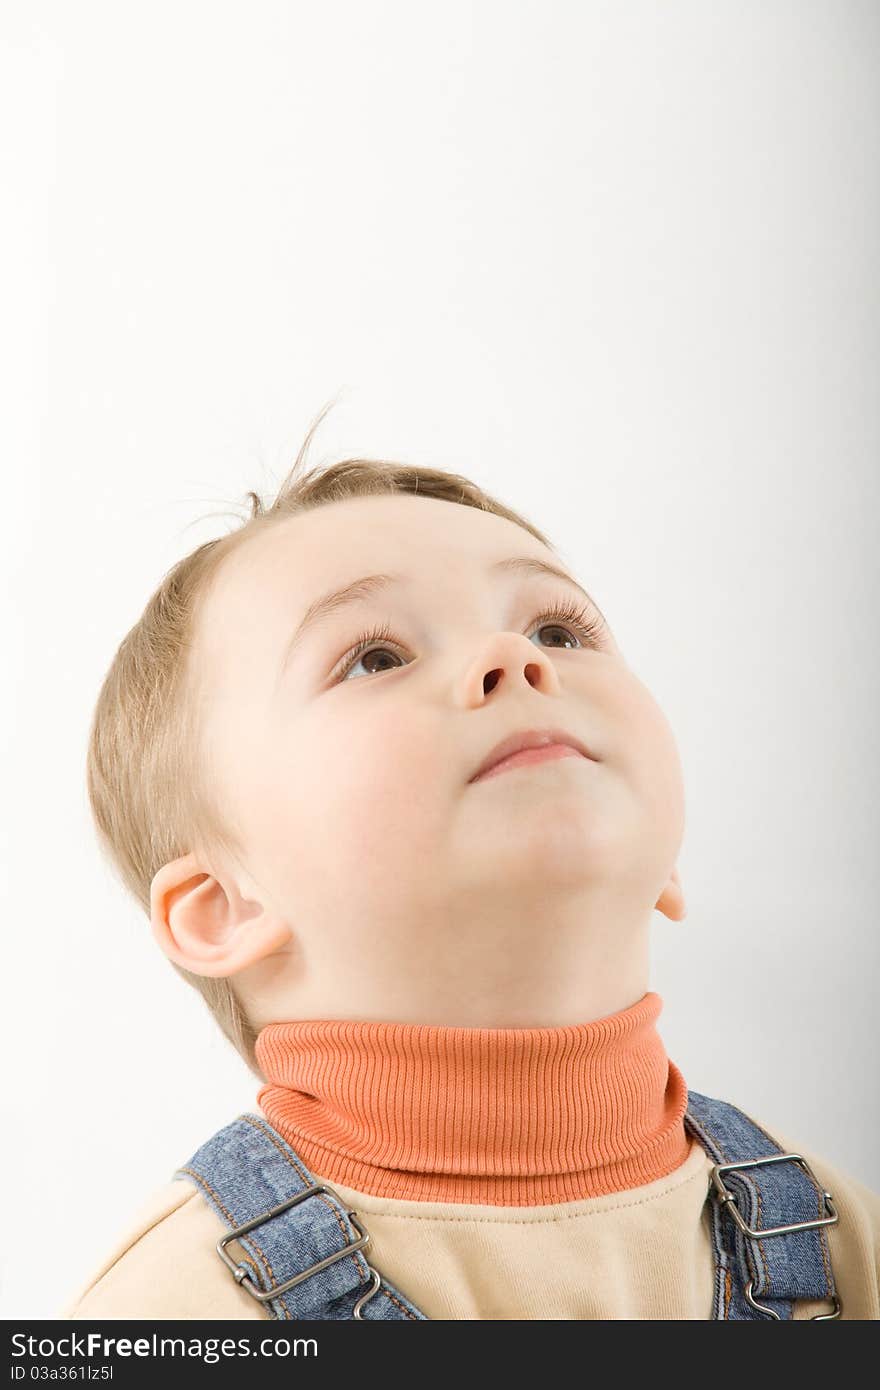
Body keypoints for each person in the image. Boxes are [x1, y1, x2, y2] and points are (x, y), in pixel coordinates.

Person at [61, 410, 880, 1320]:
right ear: (224, 909)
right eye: (375, 656)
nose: (515, 657)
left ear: (667, 861)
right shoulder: (176, 1310)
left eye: (561, 632)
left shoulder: (847, 1246)